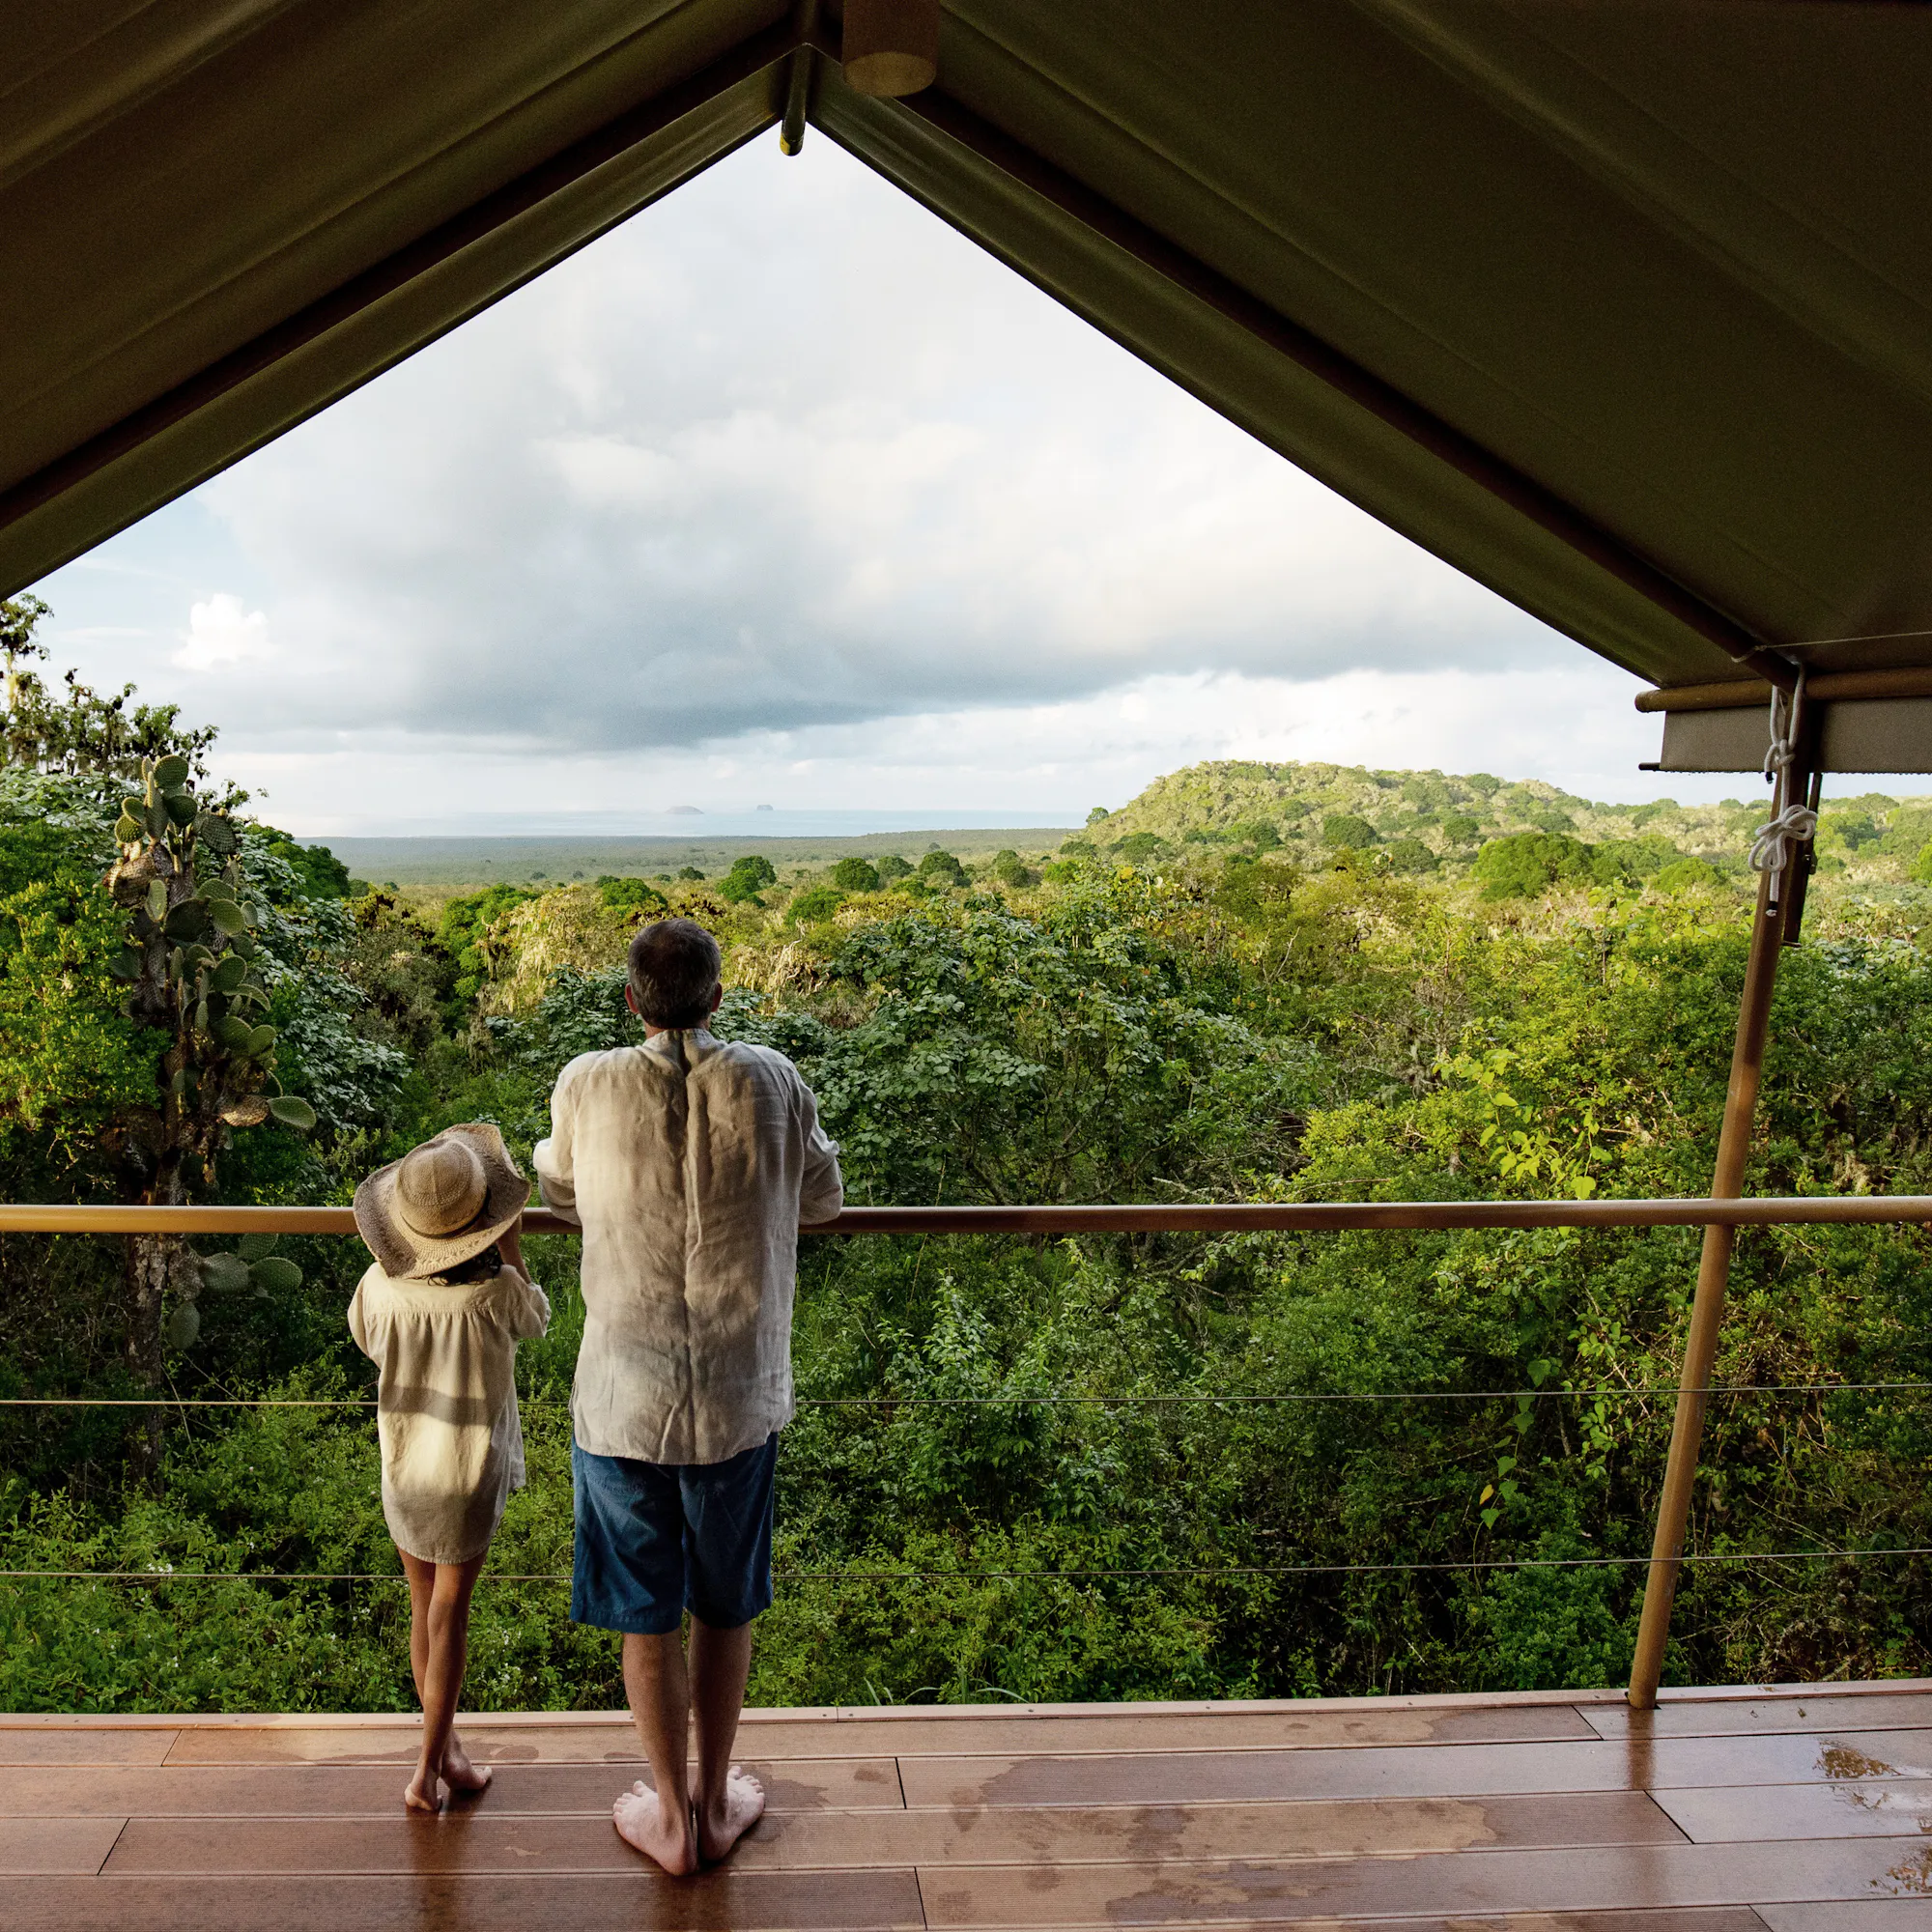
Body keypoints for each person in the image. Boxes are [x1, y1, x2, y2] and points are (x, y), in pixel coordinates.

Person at [535, 917, 842, 1874]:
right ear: (716, 996)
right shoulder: (774, 1079)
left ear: (632, 1000)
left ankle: (670, 1817)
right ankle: (715, 1798)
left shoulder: (588, 1081)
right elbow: (824, 1200)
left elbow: (557, 1191)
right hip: (738, 1395)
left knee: (643, 1610)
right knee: (723, 1607)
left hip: (623, 1399)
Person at [350, 1122, 551, 1813]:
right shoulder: (495, 1297)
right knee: (451, 1616)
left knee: (422, 1606)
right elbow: (539, 1319)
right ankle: (427, 1769)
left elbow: (365, 1338)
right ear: (485, 1224)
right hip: (467, 1474)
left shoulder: (380, 1287)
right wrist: (515, 1252)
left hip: (406, 1466)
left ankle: (448, 1752)